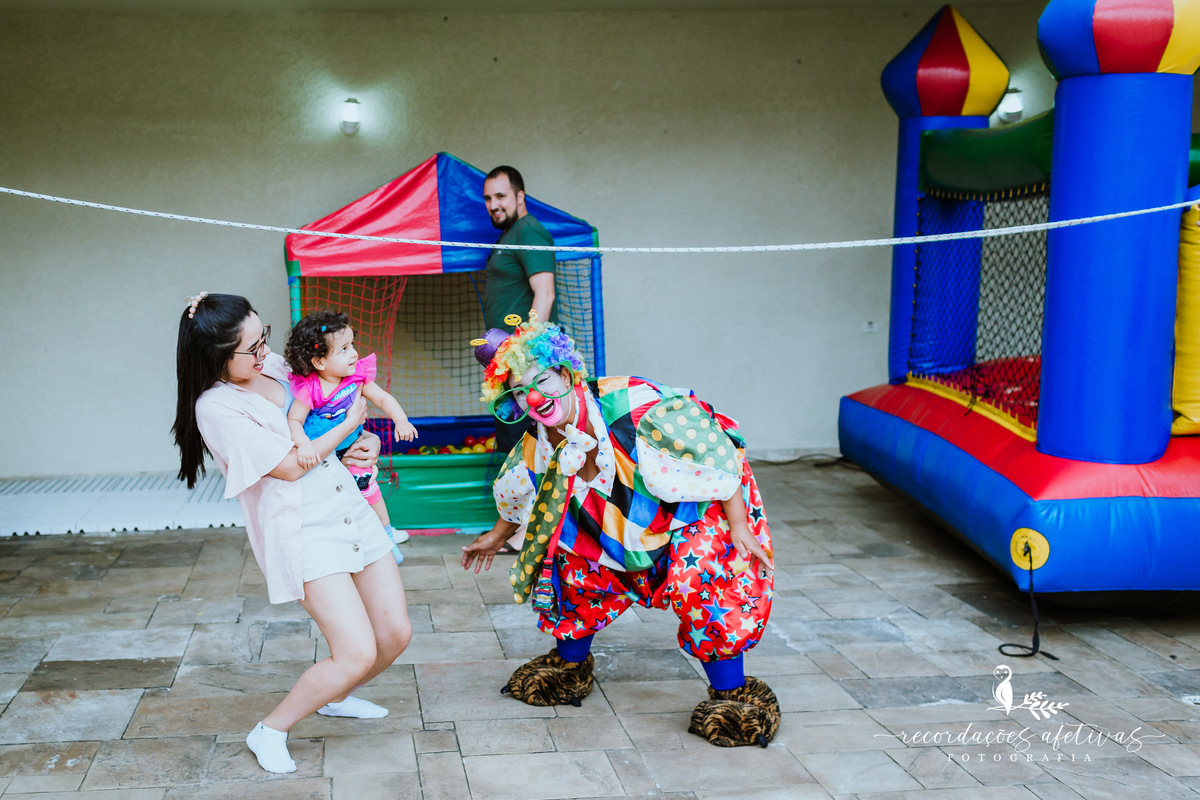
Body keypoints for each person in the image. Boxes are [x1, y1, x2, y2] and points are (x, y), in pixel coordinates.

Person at [460, 316, 780, 748]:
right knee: (571, 563)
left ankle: (732, 696)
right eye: (519, 391)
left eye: (542, 380)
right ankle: (568, 666)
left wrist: (739, 524)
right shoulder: (543, 433)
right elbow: (526, 482)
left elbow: (715, 457)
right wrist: (499, 534)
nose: (534, 397)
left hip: (695, 503)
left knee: (704, 577)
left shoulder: (635, 404)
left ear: (567, 373)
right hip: (613, 513)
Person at [172, 292, 412, 774]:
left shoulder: (278, 367)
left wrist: (362, 441)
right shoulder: (216, 408)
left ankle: (337, 697)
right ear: (219, 356)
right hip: (304, 532)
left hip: (352, 510)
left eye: (263, 339)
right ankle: (271, 730)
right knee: (357, 651)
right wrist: (349, 426)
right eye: (252, 349)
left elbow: (332, 419)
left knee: (394, 634)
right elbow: (287, 468)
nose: (265, 354)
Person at [284, 309, 417, 561]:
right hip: (321, 452)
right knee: (336, 500)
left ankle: (387, 535)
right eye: (343, 349)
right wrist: (303, 446)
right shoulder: (310, 387)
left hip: (350, 449)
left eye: (352, 344)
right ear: (320, 362)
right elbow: (294, 420)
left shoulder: (356, 378)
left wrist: (401, 420)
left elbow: (382, 397)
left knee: (368, 487)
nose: (355, 353)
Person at [482, 165, 558, 456]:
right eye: (488, 199)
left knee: (526, 444)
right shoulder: (510, 234)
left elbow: (545, 294)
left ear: (520, 196)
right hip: (509, 358)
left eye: (501, 196)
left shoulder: (530, 231)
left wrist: (524, 355)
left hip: (525, 363)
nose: (494, 205)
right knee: (513, 441)